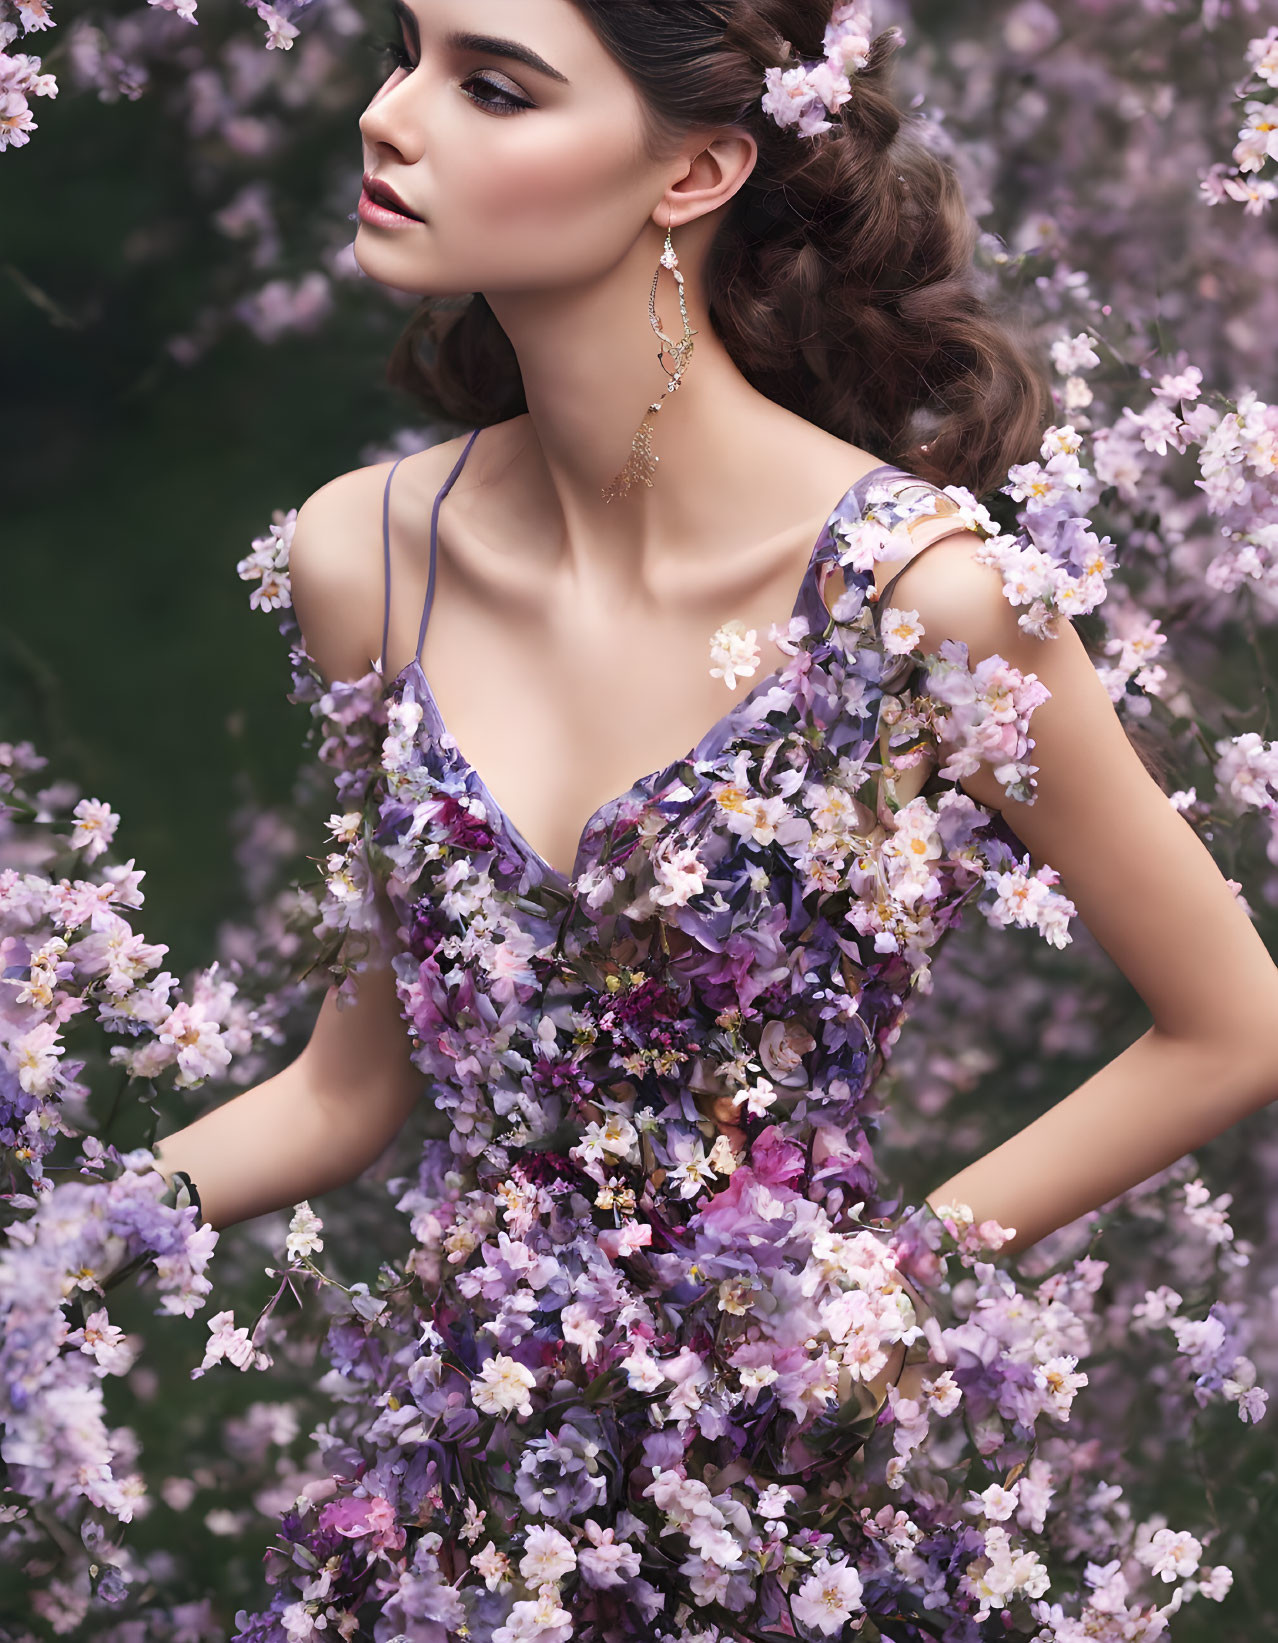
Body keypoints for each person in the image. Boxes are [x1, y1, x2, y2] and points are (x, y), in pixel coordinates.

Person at [155, 2, 1278, 1636]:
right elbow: (349, 1086)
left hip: (781, 1508)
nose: (389, 119)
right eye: (404, 52)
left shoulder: (920, 596)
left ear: (695, 169)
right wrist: (75, 1228)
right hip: (448, 1514)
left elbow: (1234, 1021)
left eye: (489, 85)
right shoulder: (362, 555)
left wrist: (878, 1291)